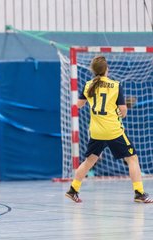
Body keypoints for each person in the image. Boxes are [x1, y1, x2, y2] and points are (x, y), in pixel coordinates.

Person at [65, 55, 153, 203]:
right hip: (113, 130)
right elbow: (123, 111)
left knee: (89, 161)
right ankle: (139, 193)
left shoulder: (88, 85)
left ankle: (73, 189)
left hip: (97, 131)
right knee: (132, 159)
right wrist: (120, 110)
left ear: (94, 70)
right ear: (106, 69)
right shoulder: (115, 85)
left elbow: (79, 105)